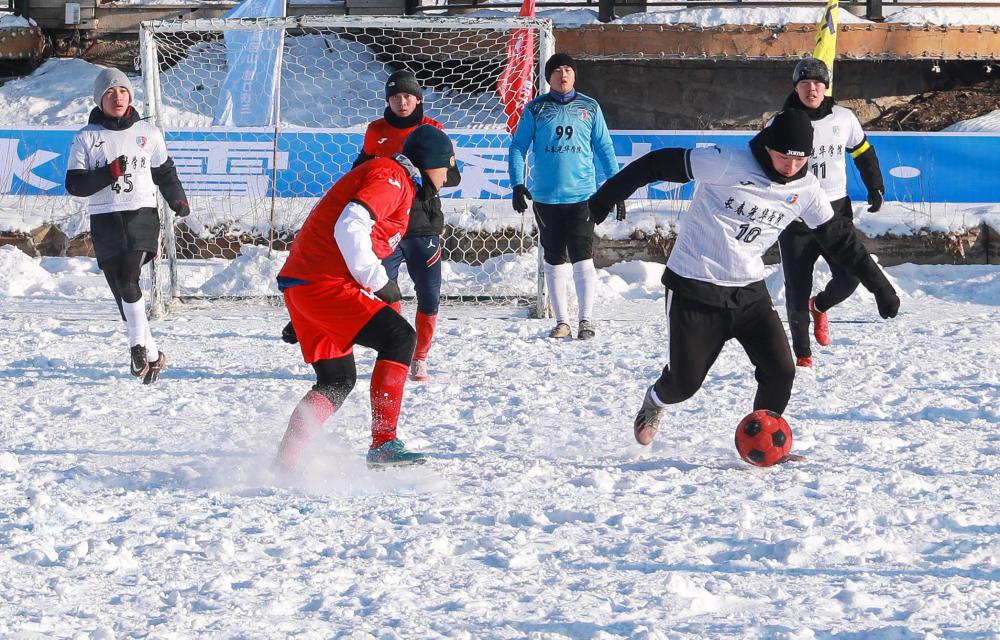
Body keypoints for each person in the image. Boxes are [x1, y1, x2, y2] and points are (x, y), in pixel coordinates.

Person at [587, 109, 899, 447]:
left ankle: (762, 443)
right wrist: (604, 198)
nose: (791, 167)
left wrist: (880, 287)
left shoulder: (807, 188)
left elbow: (841, 239)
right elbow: (655, 164)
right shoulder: (725, 162)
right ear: (768, 148)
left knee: (781, 371)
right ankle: (656, 401)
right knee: (684, 384)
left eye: (800, 159)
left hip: (749, 293)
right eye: (784, 157)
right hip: (695, 285)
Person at [273, 124, 461, 471]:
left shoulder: (398, 182)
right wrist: (379, 281)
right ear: (431, 161)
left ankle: (285, 463)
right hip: (322, 285)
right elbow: (349, 227)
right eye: (445, 170)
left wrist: (307, 310)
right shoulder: (392, 177)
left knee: (336, 381)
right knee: (401, 337)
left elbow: (345, 241)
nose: (445, 179)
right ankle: (384, 442)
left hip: (311, 286)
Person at [282, 69, 459, 382]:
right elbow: (359, 172)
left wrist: (418, 174)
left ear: (418, 99)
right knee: (378, 288)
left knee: (429, 296)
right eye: (395, 96)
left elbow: (451, 176)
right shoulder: (375, 130)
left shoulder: (433, 130)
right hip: (382, 225)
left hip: (422, 225)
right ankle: (392, 354)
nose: (401, 102)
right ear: (387, 101)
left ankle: (419, 358)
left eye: (407, 96)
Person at [65, 68, 190, 385]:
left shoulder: (149, 132)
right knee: (123, 295)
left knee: (128, 276)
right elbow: (75, 185)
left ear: (130, 96)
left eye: (122, 91)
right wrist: (108, 173)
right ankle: (153, 354)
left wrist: (177, 200)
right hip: (105, 219)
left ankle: (136, 347)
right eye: (109, 93)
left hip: (141, 215)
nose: (117, 96)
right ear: (100, 100)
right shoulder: (87, 137)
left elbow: (165, 173)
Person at [778, 57, 885, 368]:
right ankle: (802, 356)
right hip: (796, 216)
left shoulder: (844, 118)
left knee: (850, 277)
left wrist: (874, 185)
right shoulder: (781, 122)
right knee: (796, 288)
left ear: (826, 87)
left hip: (835, 213)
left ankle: (820, 305)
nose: (812, 89)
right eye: (805, 84)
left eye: (817, 84)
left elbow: (863, 151)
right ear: (796, 87)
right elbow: (762, 164)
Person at [508, 53, 621, 340]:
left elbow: (604, 147)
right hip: (546, 199)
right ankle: (562, 321)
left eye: (568, 69)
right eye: (557, 70)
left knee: (583, 258)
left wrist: (617, 187)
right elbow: (518, 147)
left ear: (575, 75)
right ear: (548, 77)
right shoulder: (535, 109)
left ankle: (586, 320)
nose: (563, 74)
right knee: (554, 259)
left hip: (582, 196)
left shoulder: (590, 107)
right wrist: (517, 184)